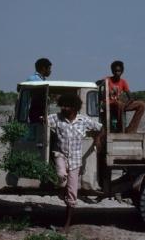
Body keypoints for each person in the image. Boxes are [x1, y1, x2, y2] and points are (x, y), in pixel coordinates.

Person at [48, 94, 104, 231]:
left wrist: (97, 138)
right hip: (60, 155)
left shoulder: (83, 120)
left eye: (67, 106)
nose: (64, 108)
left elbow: (101, 127)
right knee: (61, 177)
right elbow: (44, 121)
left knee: (72, 193)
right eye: (62, 105)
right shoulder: (56, 118)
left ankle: (67, 225)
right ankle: (62, 192)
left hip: (75, 160)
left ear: (74, 107)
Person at [106, 60, 145, 133]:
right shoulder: (107, 80)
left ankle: (131, 129)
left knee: (141, 105)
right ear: (112, 71)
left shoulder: (123, 82)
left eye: (119, 71)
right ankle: (120, 129)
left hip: (120, 105)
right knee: (119, 104)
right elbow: (98, 84)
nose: (117, 73)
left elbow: (131, 98)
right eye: (115, 71)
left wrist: (126, 105)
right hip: (110, 105)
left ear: (122, 72)